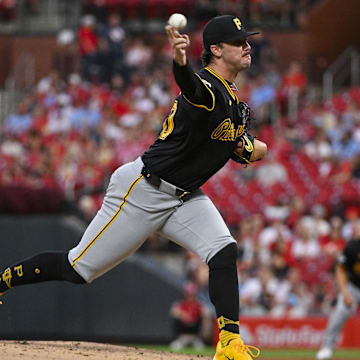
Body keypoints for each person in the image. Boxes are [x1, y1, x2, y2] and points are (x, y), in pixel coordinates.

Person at [0, 15, 266, 360]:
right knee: (78, 269)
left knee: (224, 250)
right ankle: (3, 279)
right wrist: (179, 61)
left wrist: (250, 147)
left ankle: (229, 343)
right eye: (238, 41)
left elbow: (240, 146)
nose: (247, 46)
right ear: (215, 50)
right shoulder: (209, 88)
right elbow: (191, 87)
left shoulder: (230, 97)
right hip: (143, 191)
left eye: (247, 39)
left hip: (184, 196)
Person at [316, 238, 360, 360]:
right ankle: (327, 347)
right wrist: (345, 293)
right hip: (354, 287)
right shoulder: (352, 247)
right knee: (340, 311)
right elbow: (341, 269)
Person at [169, 281, 211, 350]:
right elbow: (173, 311)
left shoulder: (199, 305)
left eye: (192, 294)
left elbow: (207, 313)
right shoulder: (181, 304)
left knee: (200, 350)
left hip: (195, 338)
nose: (190, 296)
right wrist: (182, 314)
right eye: (188, 294)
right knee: (174, 348)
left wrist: (205, 320)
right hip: (182, 337)